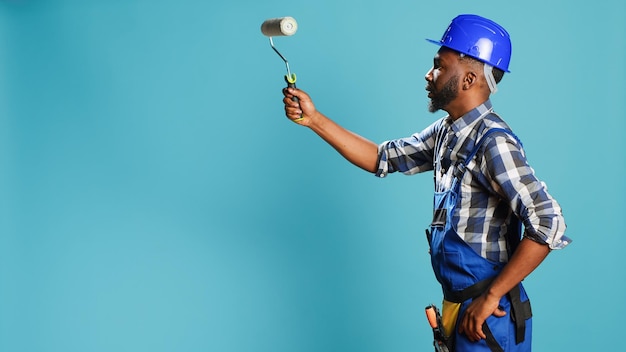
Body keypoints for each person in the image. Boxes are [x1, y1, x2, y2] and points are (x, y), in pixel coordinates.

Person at [281, 14, 570, 352]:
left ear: (469, 79)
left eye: (439, 66)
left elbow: (548, 222)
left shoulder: (494, 143)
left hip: (489, 317)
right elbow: (380, 157)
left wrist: (491, 295)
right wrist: (314, 119)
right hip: (458, 309)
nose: (428, 74)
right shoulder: (448, 132)